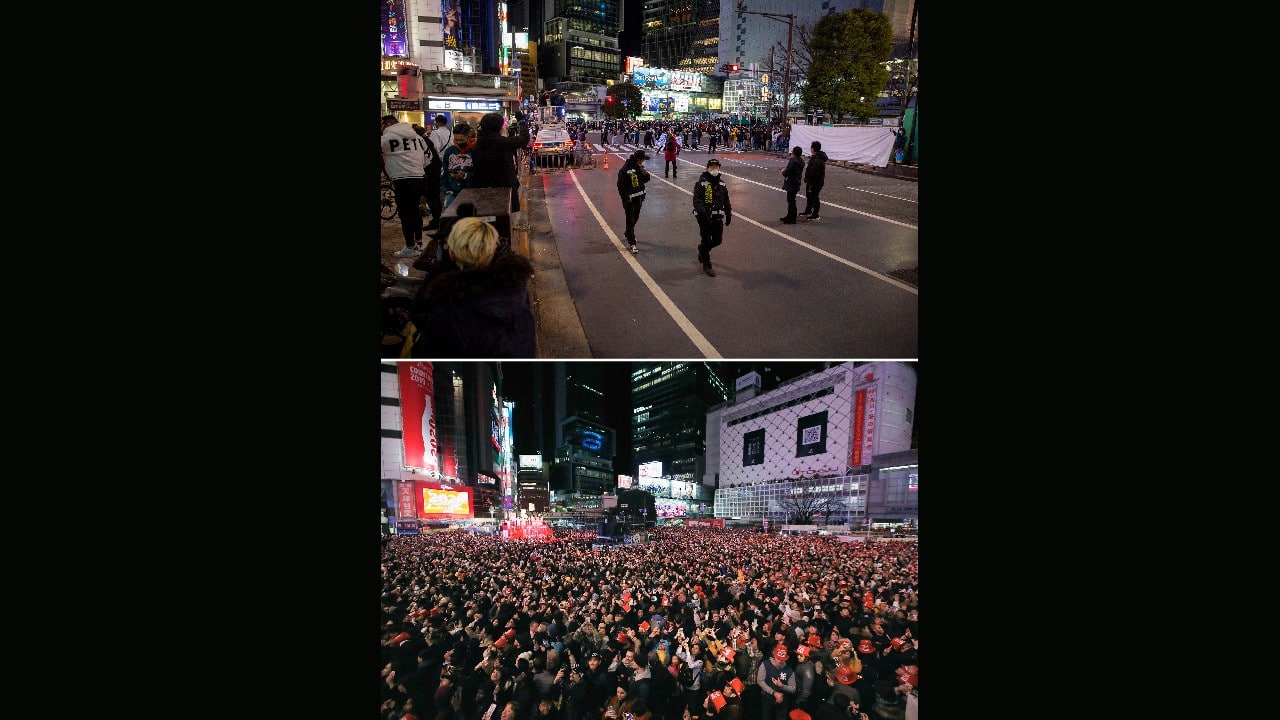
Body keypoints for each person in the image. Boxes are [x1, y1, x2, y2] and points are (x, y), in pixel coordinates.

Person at [408, 216, 535, 358]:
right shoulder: (515, 285)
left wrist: (441, 268)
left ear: (452, 253)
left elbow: (420, 314)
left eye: (448, 244)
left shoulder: (452, 310)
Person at [382, 114, 429, 258]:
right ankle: (419, 243)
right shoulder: (418, 138)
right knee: (415, 211)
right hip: (419, 177)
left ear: (387, 124)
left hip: (402, 179)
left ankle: (410, 246)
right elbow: (428, 158)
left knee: (404, 213)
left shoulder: (386, 139)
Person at [470, 110, 530, 213]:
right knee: (503, 221)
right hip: (503, 191)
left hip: (483, 189)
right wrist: (521, 121)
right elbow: (524, 138)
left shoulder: (478, 143)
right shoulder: (501, 142)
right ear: (498, 127)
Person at [691, 157, 731, 277]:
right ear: (707, 168)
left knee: (718, 240)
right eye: (712, 167)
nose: (714, 169)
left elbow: (726, 200)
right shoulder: (701, 183)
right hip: (704, 218)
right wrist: (704, 215)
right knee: (706, 239)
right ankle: (707, 265)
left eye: (716, 167)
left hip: (718, 217)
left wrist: (729, 214)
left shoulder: (722, 183)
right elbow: (697, 202)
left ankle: (702, 250)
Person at [616, 150, 652, 254]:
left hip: (639, 198)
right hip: (630, 201)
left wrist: (645, 173)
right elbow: (620, 186)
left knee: (635, 217)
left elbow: (645, 180)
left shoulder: (639, 168)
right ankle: (632, 243)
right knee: (630, 220)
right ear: (638, 159)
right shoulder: (624, 170)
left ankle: (628, 233)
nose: (643, 162)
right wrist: (626, 198)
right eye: (642, 160)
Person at [413, 124, 445, 237]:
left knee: (432, 197)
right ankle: (437, 219)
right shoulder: (426, 141)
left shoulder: (421, 143)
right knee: (434, 197)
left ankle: (436, 221)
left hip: (430, 172)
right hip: (435, 171)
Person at [441, 122, 477, 210]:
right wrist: (445, 190)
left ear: (468, 138)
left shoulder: (475, 151)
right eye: (456, 140)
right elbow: (444, 172)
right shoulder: (449, 151)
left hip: (470, 192)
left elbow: (479, 173)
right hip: (451, 193)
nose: (458, 142)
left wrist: (465, 176)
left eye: (461, 140)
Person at [756, 643, 796, 720]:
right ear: (774, 655)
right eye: (778, 658)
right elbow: (760, 681)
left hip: (782, 701)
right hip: (767, 698)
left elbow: (793, 689)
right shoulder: (765, 664)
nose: (780, 661)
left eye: (782, 659)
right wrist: (774, 693)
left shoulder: (789, 670)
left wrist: (782, 686)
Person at [800, 141, 828, 221]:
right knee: (809, 196)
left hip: (815, 183)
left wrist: (811, 183)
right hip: (811, 182)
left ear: (813, 148)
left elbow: (814, 173)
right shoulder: (815, 157)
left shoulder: (818, 160)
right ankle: (808, 210)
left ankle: (815, 214)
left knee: (814, 197)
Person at [779, 146, 804, 224]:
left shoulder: (792, 161)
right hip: (797, 182)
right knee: (792, 200)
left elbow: (787, 173)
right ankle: (790, 216)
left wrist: (782, 170)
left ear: (793, 153)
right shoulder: (801, 161)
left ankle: (791, 218)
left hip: (791, 182)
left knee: (791, 201)